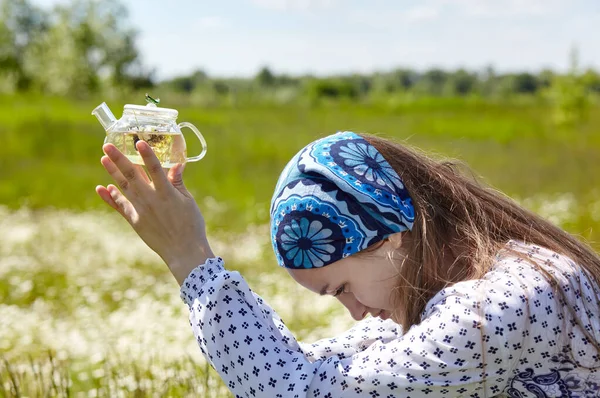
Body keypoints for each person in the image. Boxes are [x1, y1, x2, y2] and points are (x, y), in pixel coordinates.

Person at [96, 131, 600, 397]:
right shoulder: (491, 275)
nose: (356, 313)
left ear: (386, 237)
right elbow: (317, 368)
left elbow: (297, 391)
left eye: (341, 288)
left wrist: (190, 258)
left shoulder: (495, 311)